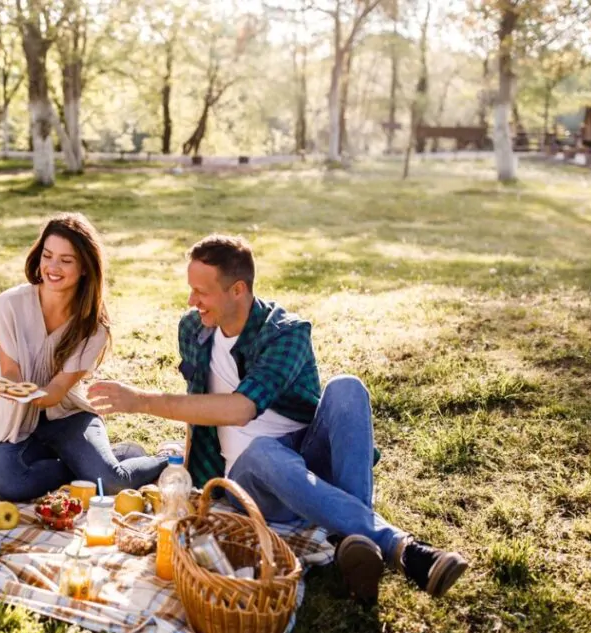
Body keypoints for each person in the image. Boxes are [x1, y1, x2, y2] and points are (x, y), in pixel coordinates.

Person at [89, 235, 468, 601]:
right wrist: (187, 478)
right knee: (264, 450)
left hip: (308, 464)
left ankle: (354, 543)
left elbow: (241, 409)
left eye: (201, 292)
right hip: (251, 481)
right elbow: (198, 405)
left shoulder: (285, 333)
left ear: (238, 289)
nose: (192, 301)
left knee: (348, 388)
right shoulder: (192, 329)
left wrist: (141, 400)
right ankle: (399, 547)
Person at [0, 212, 168, 500]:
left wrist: (23, 393)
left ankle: (169, 458)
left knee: (112, 484)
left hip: (68, 416)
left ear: (84, 268)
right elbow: (10, 372)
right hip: (17, 422)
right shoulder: (10, 304)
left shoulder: (94, 328)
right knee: (9, 484)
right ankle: (88, 466)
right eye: (47, 255)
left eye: (66, 260)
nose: (52, 267)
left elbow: (55, 393)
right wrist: (0, 387)